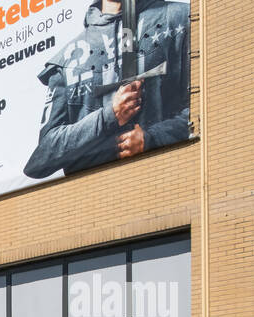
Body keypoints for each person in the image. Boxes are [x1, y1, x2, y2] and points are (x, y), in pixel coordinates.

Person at [23, 0, 190, 181]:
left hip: (170, 181)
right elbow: (40, 160)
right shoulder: (65, 60)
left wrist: (154, 139)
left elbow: (209, 106)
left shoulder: (180, 18)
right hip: (97, 198)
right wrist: (109, 116)